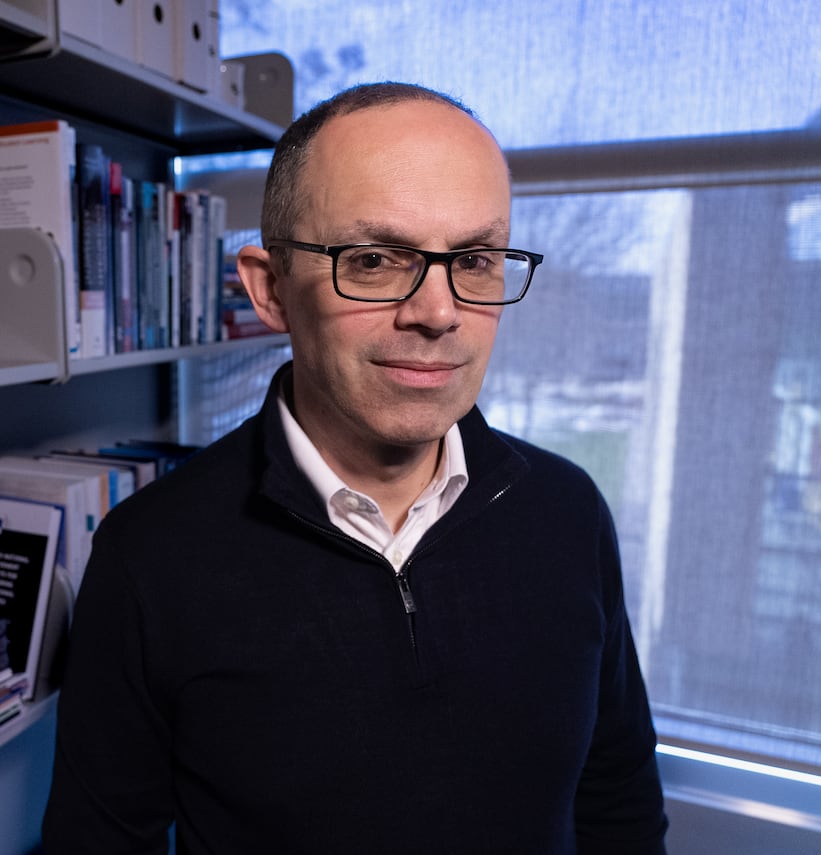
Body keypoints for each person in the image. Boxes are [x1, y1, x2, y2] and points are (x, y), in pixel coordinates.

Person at [42, 82, 668, 854]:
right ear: (269, 289)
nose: (438, 312)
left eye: (474, 259)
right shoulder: (150, 556)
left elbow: (620, 801)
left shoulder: (568, 513)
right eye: (374, 259)